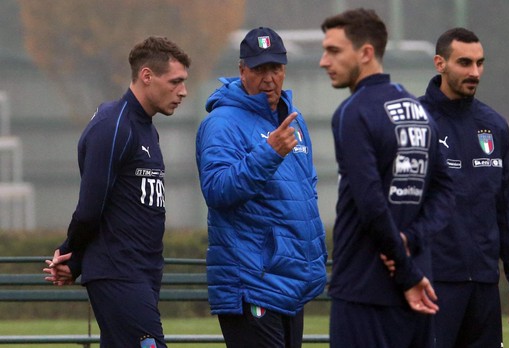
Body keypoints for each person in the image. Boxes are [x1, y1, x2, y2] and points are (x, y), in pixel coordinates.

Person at [43, 36, 191, 348]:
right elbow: (90, 208)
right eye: (175, 82)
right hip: (119, 273)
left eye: (184, 83)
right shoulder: (113, 125)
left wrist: (77, 260)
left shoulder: (147, 128)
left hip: (142, 273)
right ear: (147, 76)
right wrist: (70, 253)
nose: (183, 92)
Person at [319, 8, 455, 348]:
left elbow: (371, 205)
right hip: (419, 289)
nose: (324, 61)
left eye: (334, 51)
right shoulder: (419, 110)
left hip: (365, 291)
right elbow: (446, 191)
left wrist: (406, 274)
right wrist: (411, 238)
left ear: (365, 53)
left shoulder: (353, 112)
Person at [195, 27, 327, 348]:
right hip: (253, 282)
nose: (269, 78)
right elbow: (217, 190)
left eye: (276, 68)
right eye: (259, 69)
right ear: (242, 70)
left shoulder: (292, 120)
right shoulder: (221, 123)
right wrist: (269, 153)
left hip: (290, 281)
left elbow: (305, 191)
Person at [418, 27, 509, 348]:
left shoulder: (494, 126)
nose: (475, 72)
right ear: (440, 63)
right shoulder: (414, 122)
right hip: (432, 284)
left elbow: (507, 208)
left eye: (480, 63)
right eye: (465, 63)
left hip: (483, 286)